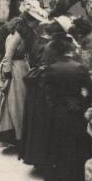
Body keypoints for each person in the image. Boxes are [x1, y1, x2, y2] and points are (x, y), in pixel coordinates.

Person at [41, 35, 92, 181]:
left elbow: (48, 97)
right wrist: (80, 103)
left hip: (57, 117)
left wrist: (59, 105)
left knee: (58, 155)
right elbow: (90, 94)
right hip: (76, 116)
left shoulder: (50, 70)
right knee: (78, 154)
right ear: (68, 50)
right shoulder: (80, 68)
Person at [20, 19, 66, 169]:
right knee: (44, 124)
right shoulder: (48, 46)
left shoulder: (39, 42)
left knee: (38, 124)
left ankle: (40, 159)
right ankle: (44, 160)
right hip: (42, 87)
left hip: (38, 87)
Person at [0, 17, 30, 148]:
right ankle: (18, 136)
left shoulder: (18, 36)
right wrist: (8, 78)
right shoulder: (14, 37)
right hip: (14, 71)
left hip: (20, 68)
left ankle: (20, 134)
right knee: (15, 104)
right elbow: (7, 58)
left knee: (18, 104)